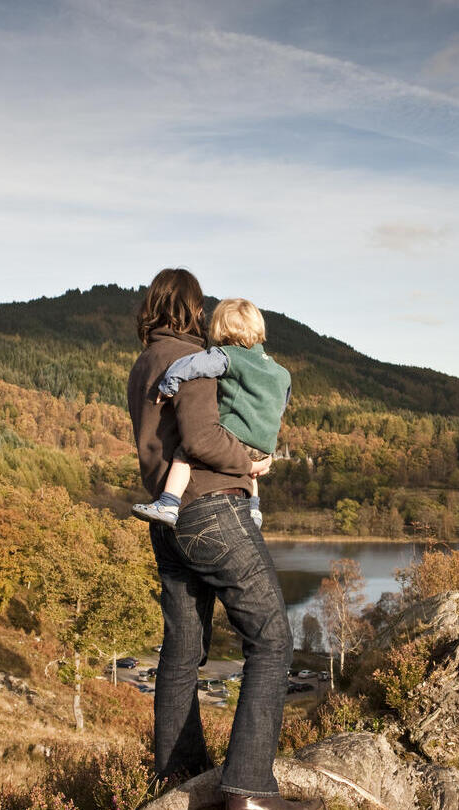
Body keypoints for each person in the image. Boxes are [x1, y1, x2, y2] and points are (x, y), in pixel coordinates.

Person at [128, 269, 319, 810]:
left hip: (171, 522)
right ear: (192, 308)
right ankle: (249, 790)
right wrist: (254, 462)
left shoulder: (144, 362)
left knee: (183, 653)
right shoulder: (193, 359)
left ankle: (178, 781)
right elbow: (203, 437)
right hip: (213, 509)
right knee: (273, 638)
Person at [131, 297, 291, 530]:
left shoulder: (226, 356)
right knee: (252, 470)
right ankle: (254, 509)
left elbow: (192, 366)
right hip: (265, 446)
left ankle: (168, 504)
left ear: (220, 327)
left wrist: (169, 384)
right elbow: (280, 405)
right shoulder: (281, 372)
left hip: (235, 438)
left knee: (184, 454)